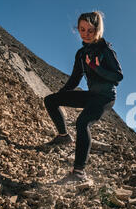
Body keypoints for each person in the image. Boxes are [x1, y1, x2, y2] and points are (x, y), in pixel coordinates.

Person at [43, 11, 123, 183]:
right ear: (77, 29)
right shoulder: (81, 54)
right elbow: (75, 78)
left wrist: (96, 68)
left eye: (90, 30)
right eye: (82, 29)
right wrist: (61, 94)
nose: (86, 34)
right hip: (91, 95)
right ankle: (63, 137)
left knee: (82, 123)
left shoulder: (105, 48)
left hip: (105, 98)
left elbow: (118, 76)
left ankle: (79, 172)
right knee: (50, 100)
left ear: (97, 30)